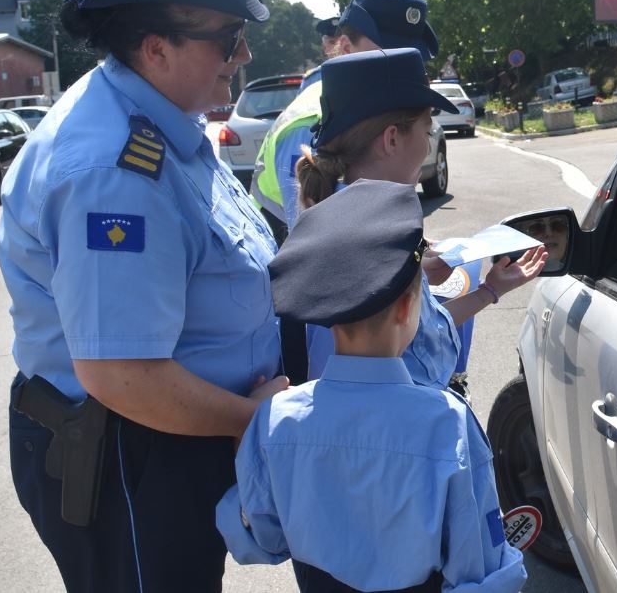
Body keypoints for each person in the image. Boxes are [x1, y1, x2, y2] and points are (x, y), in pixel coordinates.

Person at [0, 0, 289, 593]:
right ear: (156, 47)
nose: (242, 56)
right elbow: (121, 372)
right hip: (127, 452)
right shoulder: (113, 172)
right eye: (229, 36)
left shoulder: (162, 121)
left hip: (166, 439)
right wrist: (253, 419)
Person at [217, 179, 527, 592]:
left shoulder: (276, 419)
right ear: (406, 307)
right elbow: (481, 569)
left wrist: (247, 440)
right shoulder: (447, 422)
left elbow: (257, 539)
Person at [294, 49, 547, 385]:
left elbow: (419, 334)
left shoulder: (363, 222)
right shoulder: (365, 238)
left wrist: (489, 290)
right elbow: (399, 367)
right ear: (392, 138)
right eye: (427, 131)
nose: (429, 147)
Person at [250, 0, 439, 233]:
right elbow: (317, 247)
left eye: (414, 60)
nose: (405, 71)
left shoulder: (375, 110)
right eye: (388, 54)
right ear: (347, 48)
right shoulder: (312, 122)